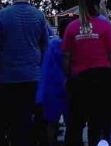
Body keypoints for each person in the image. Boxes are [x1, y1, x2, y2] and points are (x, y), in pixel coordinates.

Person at [0, 0, 50, 146]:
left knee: (6, 123)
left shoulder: (2, 15)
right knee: (25, 121)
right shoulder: (39, 15)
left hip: (6, 77)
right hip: (31, 76)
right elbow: (45, 47)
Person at [62, 0, 111, 146]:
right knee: (99, 123)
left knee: (76, 123)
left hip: (80, 79)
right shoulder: (105, 25)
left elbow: (66, 55)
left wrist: (68, 75)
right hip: (103, 78)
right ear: (95, 6)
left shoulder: (72, 27)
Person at [36, 18, 68, 146]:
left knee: (51, 122)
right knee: (73, 123)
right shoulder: (68, 46)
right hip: (67, 86)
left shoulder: (51, 44)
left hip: (50, 87)